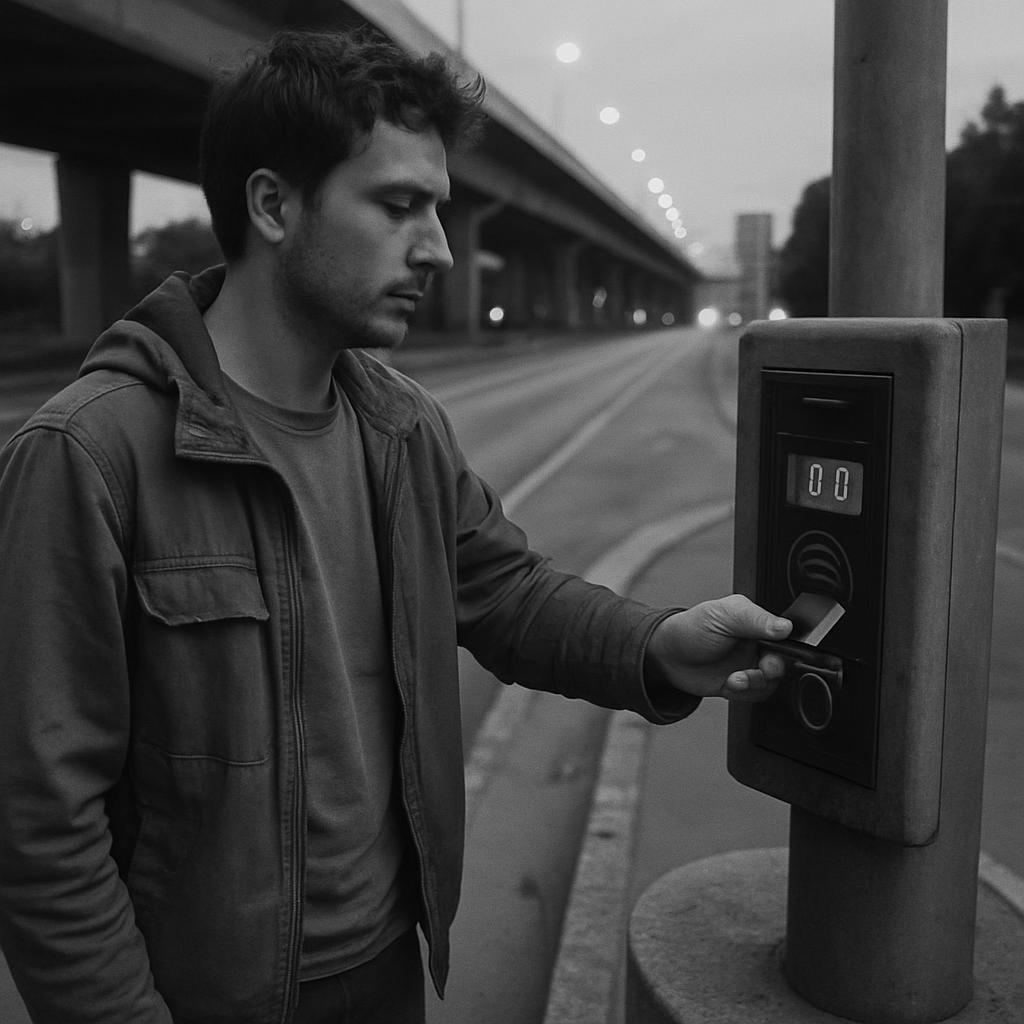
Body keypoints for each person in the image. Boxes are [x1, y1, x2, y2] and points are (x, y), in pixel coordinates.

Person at [0, 27, 791, 1024]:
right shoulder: (89, 455)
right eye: (397, 205)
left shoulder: (400, 427)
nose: (439, 248)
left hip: (386, 967)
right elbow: (38, 822)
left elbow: (507, 594)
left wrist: (659, 645)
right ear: (273, 205)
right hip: (203, 995)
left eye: (439, 209)